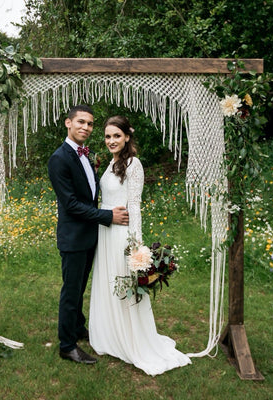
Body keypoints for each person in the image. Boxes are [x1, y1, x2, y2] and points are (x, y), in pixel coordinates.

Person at [89, 115, 191, 375]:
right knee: (108, 281)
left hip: (122, 233)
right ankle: (110, 334)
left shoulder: (134, 164)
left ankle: (132, 338)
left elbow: (134, 204)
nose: (111, 141)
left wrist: (137, 244)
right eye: (108, 136)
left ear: (127, 137)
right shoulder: (111, 163)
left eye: (116, 136)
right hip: (105, 231)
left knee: (124, 283)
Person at [48, 105, 129, 364]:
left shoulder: (87, 155)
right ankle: (67, 345)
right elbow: (71, 204)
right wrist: (108, 217)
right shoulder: (59, 158)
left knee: (81, 286)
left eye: (90, 124)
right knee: (71, 291)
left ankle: (77, 327)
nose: (86, 127)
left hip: (89, 236)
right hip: (73, 237)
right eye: (81, 122)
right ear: (68, 123)